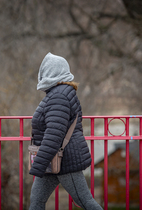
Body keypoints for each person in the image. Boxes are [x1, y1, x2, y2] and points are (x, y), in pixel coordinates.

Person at [29, 52, 103, 210]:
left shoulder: (59, 96)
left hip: (65, 160)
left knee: (86, 202)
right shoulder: (58, 93)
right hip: (53, 159)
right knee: (36, 201)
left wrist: (38, 164)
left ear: (51, 73)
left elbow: (54, 134)